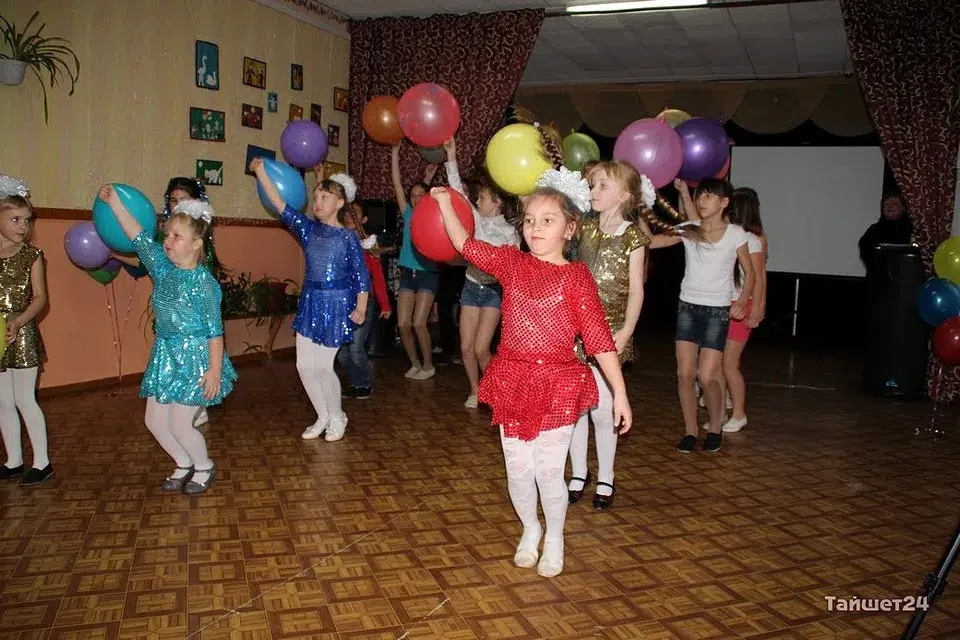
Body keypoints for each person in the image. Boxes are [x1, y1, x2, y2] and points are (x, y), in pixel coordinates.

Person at [429, 131, 632, 577]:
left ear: (569, 228)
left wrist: (619, 392)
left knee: (548, 472)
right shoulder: (511, 263)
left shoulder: (577, 278)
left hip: (558, 383)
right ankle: (530, 528)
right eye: (530, 220)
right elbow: (465, 244)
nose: (536, 228)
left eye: (547, 220)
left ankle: (555, 535)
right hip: (513, 380)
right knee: (518, 471)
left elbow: (599, 339)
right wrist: (444, 203)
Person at [98, 186, 236, 494]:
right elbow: (137, 235)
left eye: (176, 236)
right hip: (166, 355)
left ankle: (204, 466)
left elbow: (215, 332)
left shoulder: (204, 284)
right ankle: (183, 462)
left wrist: (214, 371)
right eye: (167, 234)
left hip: (196, 359)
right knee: (154, 421)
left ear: (196, 244)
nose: (168, 241)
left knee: (180, 424)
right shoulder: (161, 266)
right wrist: (114, 202)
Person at [250, 159, 370, 442]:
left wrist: (362, 307)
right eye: (315, 197)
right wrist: (260, 172)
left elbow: (361, 275)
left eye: (324, 197)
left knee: (324, 367)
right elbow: (279, 203)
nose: (317, 202)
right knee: (304, 366)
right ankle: (323, 415)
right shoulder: (307, 229)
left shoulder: (348, 238)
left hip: (337, 304)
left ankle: (337, 416)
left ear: (339, 203)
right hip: (310, 302)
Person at [645, 179, 755, 453]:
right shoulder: (691, 229)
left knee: (707, 376)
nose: (702, 200)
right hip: (688, 307)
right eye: (699, 195)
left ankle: (715, 427)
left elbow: (750, 273)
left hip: (717, 310)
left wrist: (742, 301)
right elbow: (651, 242)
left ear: (724, 202)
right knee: (684, 373)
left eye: (709, 196)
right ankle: (690, 431)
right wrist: (640, 212)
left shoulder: (735, 234)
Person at [567, 160, 650, 510]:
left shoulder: (633, 236)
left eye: (602, 186)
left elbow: (637, 290)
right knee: (576, 408)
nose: (593, 191)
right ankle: (578, 472)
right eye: (592, 185)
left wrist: (626, 331)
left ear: (624, 195)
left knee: (603, 409)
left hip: (611, 334)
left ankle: (606, 475)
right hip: (576, 332)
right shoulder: (584, 227)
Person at [442, 137, 519, 408]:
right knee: (465, 347)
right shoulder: (475, 218)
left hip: (494, 292)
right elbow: (458, 193)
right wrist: (451, 156)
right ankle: (476, 391)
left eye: (483, 198)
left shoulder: (510, 233)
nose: (478, 200)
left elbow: (512, 269)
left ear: (497, 202)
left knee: (480, 348)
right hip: (471, 285)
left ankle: (498, 391)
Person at [0, 173, 52, 486]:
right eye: (15, 219)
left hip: (21, 334)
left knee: (24, 399)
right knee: (3, 401)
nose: (23, 226)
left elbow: (41, 298)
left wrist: (18, 322)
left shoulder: (32, 256)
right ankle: (14, 460)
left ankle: (42, 462)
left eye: (27, 220)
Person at [859, 192, 912, 274]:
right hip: (878, 275)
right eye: (886, 204)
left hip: (905, 275)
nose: (889, 207)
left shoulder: (912, 228)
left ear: (903, 207)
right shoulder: (874, 229)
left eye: (894, 204)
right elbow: (864, 249)